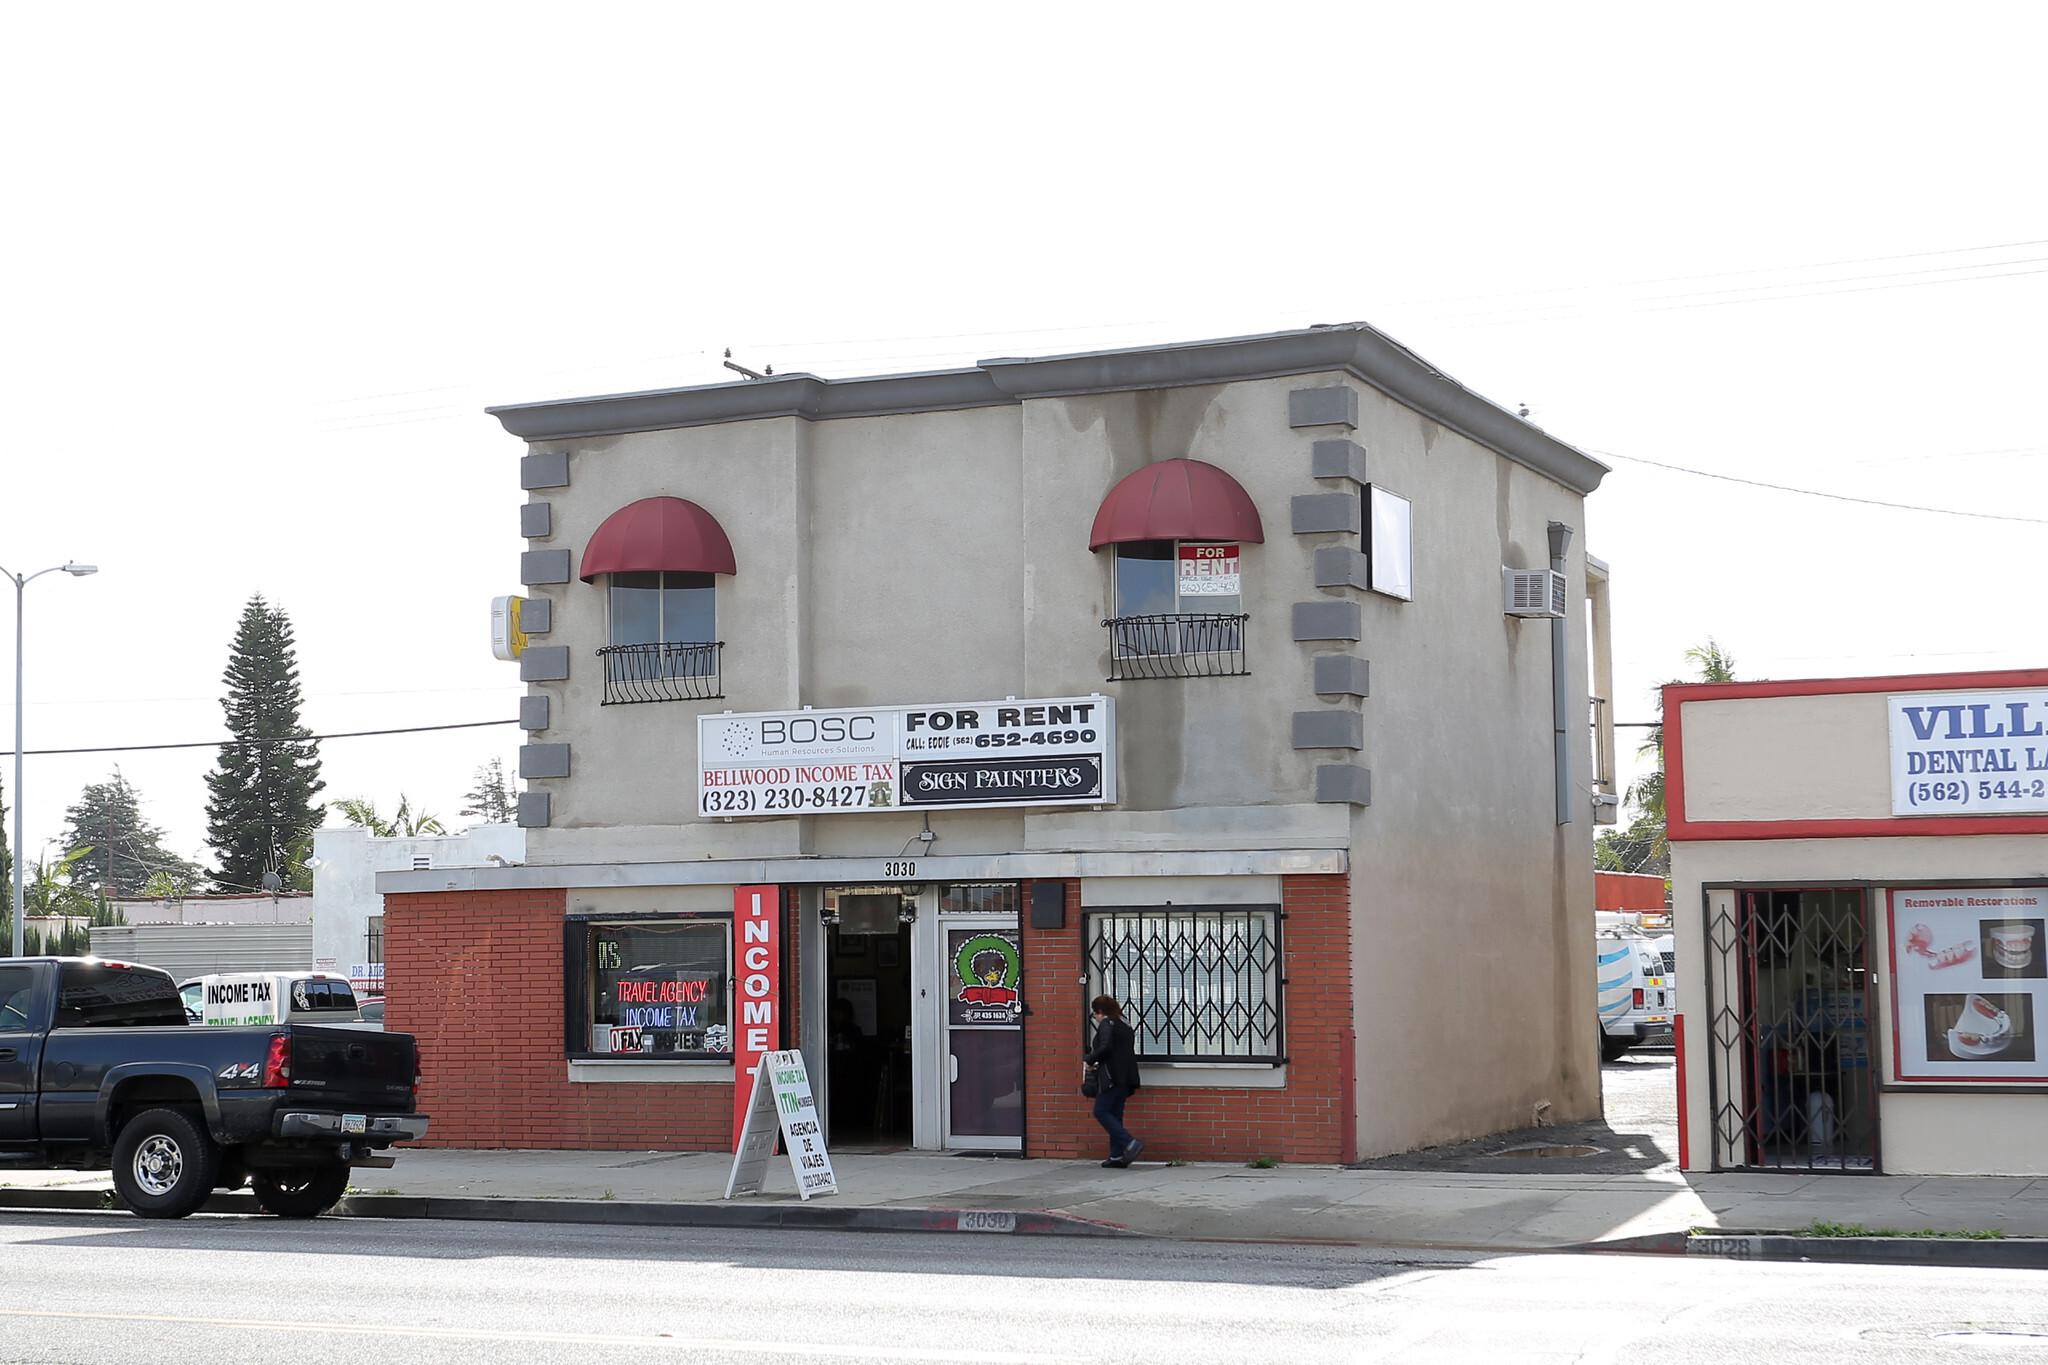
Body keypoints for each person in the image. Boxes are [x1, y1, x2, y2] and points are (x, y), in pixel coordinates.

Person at [1083, 994, 1143, 1167]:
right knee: (1115, 1114)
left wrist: (1089, 1058)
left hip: (1112, 1076)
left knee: (1101, 1111)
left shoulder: (1107, 1024)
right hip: (1127, 1076)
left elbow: (1105, 1047)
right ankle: (1116, 1156)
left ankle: (1130, 1143)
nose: (1095, 1017)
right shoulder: (1124, 1023)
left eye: (1095, 1014)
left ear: (1101, 1011)